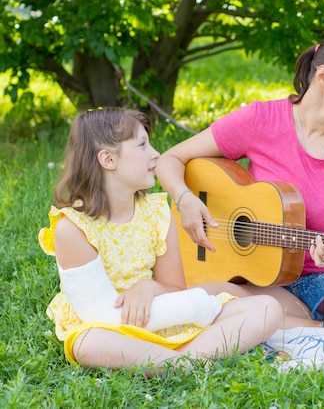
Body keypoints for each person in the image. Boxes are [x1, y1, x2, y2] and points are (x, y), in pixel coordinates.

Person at [156, 30, 324, 334]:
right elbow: (170, 159)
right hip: (259, 280)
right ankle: (316, 325)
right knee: (192, 302)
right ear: (323, 76)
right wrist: (185, 199)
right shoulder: (261, 120)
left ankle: (308, 325)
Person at [39, 108, 282, 374]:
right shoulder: (73, 228)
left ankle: (177, 362)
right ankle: (186, 359)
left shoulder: (156, 213)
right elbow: (99, 315)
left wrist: (149, 287)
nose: (155, 154)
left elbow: (176, 288)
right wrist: (196, 307)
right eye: (142, 145)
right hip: (111, 329)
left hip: (160, 312)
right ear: (108, 159)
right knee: (87, 343)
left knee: (268, 308)